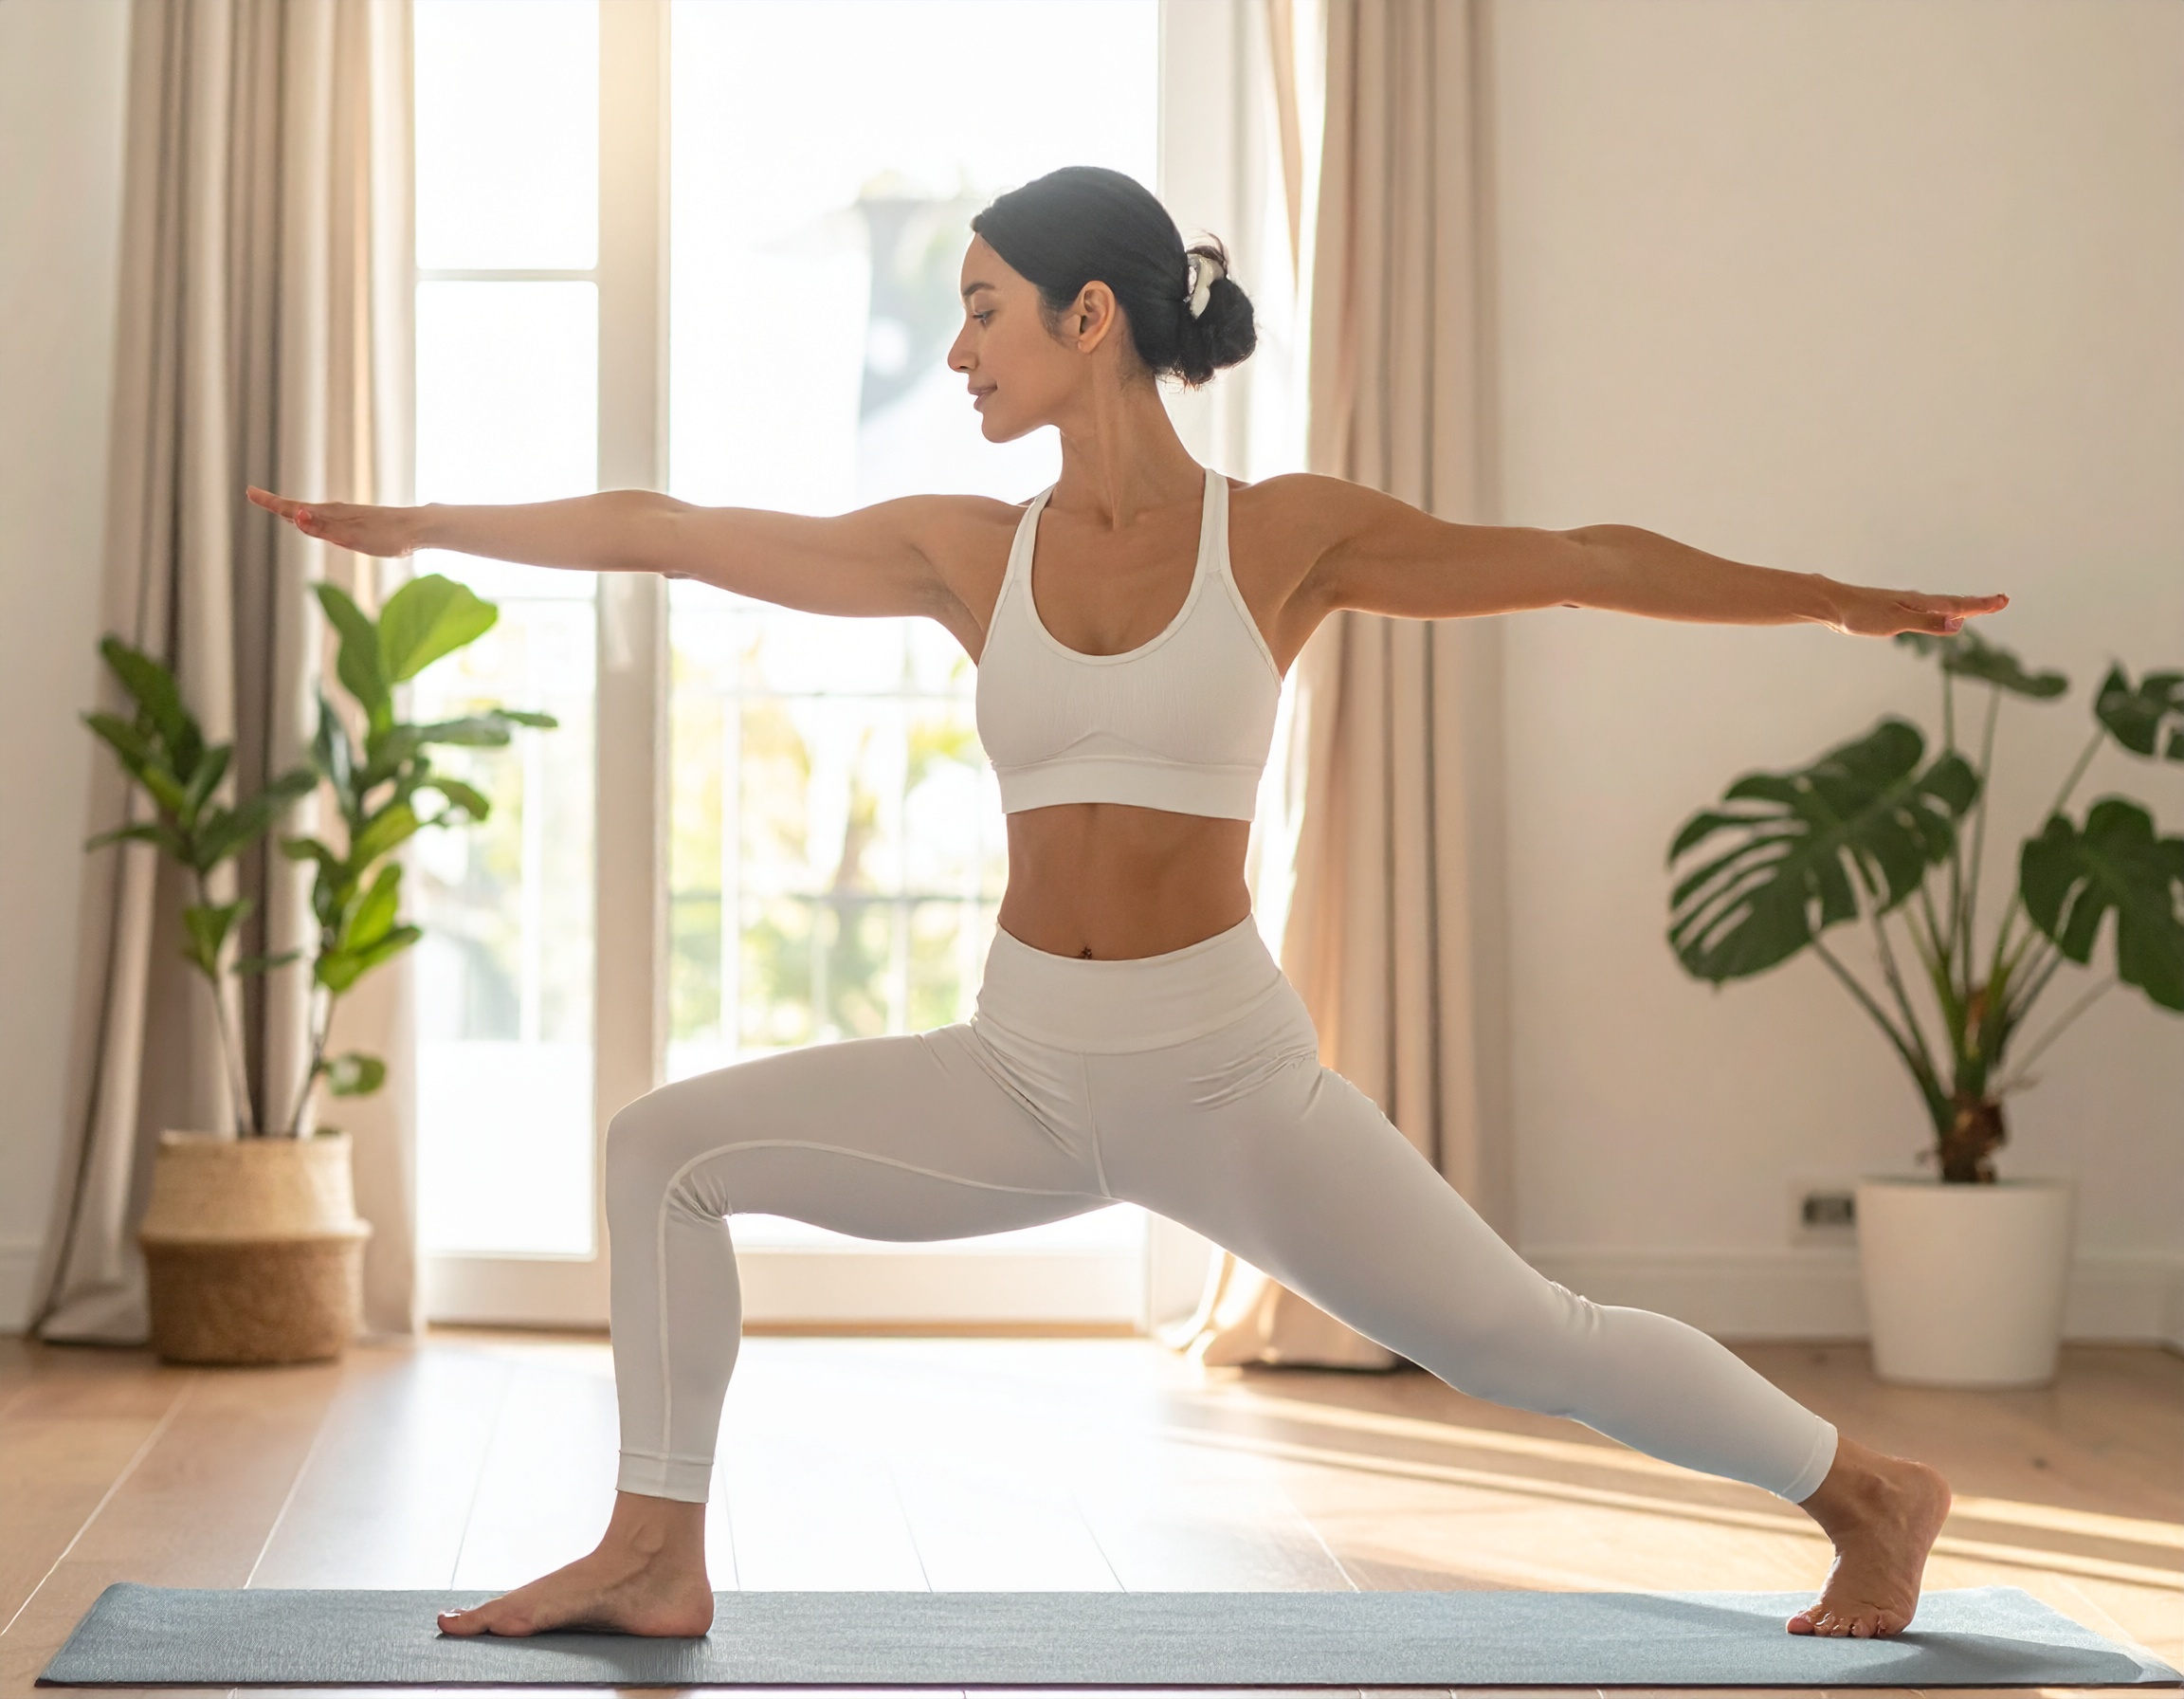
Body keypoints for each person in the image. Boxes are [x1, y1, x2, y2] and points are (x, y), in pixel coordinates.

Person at [251, 165, 1985, 1646]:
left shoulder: (1283, 537)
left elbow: (1588, 561)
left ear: (1093, 318)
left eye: (982, 311)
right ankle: (654, 1551)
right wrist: (418, 523)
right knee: (661, 1150)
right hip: (1017, 1071)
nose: (954, 353)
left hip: (1230, 1079)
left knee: (1529, 1341)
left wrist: (1837, 603)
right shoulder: (965, 549)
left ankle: (1871, 1492)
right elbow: (679, 530)